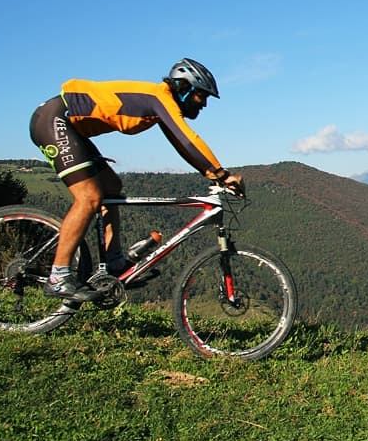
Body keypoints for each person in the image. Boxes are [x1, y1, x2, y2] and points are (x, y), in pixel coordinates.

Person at [29, 58, 244, 300]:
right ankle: (58, 277)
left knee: (112, 188)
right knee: (89, 197)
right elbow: (187, 139)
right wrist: (221, 173)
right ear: (184, 88)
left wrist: (209, 172)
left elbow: (179, 144)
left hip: (70, 127)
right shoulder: (160, 98)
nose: (203, 104)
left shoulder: (160, 103)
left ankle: (114, 263)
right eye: (201, 96)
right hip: (54, 119)